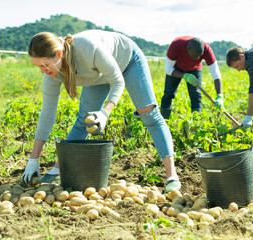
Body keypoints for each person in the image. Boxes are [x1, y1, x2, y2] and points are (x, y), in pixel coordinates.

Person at [21, 30, 181, 192]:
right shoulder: (52, 74)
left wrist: (105, 112)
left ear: (59, 54)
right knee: (85, 120)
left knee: (149, 114)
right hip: (98, 75)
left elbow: (117, 81)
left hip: (128, 61)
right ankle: (57, 170)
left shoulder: (88, 49)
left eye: (45, 65)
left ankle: (172, 176)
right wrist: (34, 158)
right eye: (39, 66)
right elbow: (47, 114)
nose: (43, 71)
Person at [160, 36, 224, 119]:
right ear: (188, 48)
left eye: (199, 56)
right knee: (168, 94)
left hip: (195, 69)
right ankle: (163, 121)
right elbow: (167, 69)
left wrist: (219, 95)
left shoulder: (207, 49)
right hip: (175, 69)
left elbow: (216, 74)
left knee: (196, 95)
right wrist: (184, 75)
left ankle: (196, 124)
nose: (197, 58)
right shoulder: (176, 45)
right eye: (195, 55)